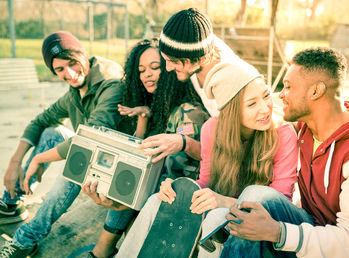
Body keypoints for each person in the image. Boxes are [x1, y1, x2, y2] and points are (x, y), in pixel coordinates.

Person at [219, 47, 349, 257]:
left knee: (257, 201)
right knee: (254, 202)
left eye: (288, 87)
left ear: (316, 91)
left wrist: (279, 233)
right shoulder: (306, 130)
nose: (280, 95)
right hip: (314, 235)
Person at [115, 60, 299, 258]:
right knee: (157, 201)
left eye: (266, 96)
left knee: (216, 217)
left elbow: (279, 203)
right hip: (227, 213)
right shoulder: (211, 129)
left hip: (265, 228)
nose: (265, 109)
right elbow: (205, 182)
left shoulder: (283, 133)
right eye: (252, 104)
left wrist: (224, 202)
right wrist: (179, 189)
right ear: (230, 110)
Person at [0, 31, 133, 258]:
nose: (69, 74)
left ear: (83, 55)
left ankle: (25, 241)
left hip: (120, 171)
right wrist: (16, 162)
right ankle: (10, 204)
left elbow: (91, 138)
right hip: (94, 157)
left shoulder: (111, 85)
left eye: (72, 63)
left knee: (78, 162)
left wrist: (40, 159)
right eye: (60, 69)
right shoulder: (75, 91)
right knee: (53, 132)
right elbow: (40, 121)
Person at [82, 38, 209, 258]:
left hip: (181, 200)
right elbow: (141, 159)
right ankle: (103, 249)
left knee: (130, 185)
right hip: (159, 192)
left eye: (155, 67)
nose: (146, 75)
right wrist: (142, 121)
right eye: (141, 70)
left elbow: (185, 178)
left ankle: (102, 250)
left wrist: (126, 200)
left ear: (170, 68)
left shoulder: (187, 113)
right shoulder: (159, 108)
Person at [138, 8, 242, 164]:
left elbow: (227, 157)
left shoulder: (226, 87)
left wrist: (183, 143)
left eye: (173, 61)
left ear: (194, 58)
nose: (168, 68)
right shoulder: (199, 48)